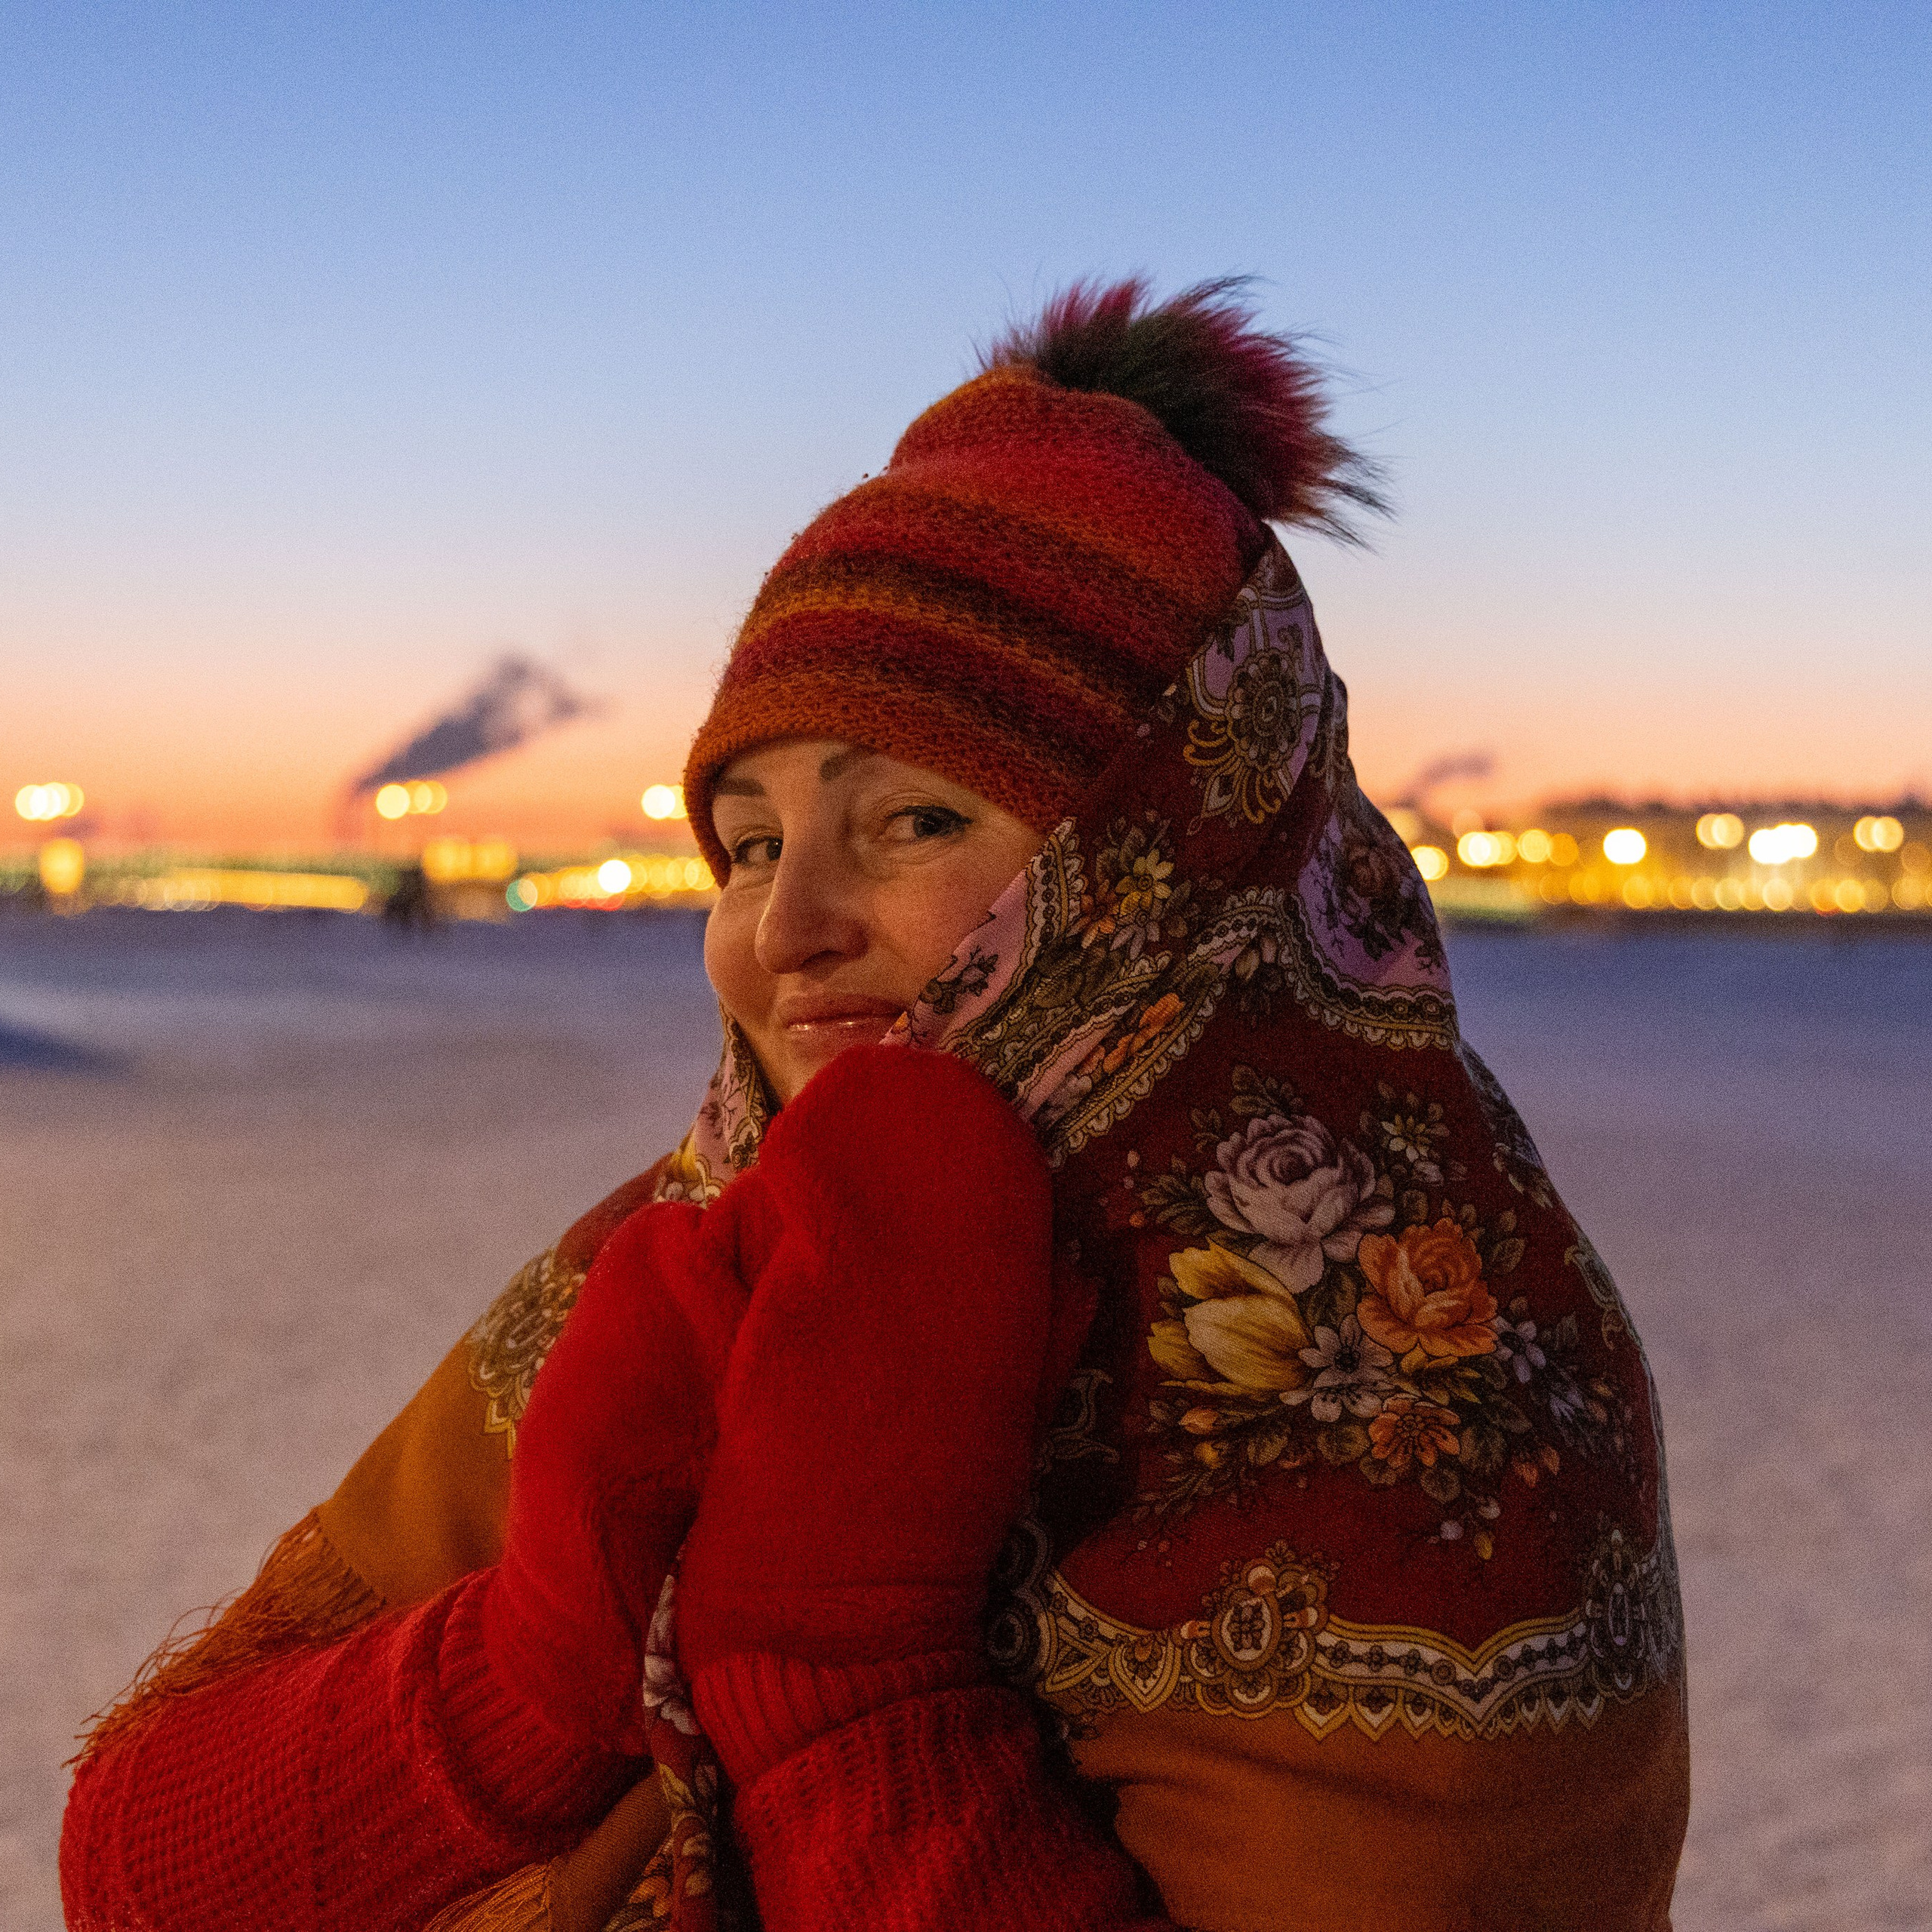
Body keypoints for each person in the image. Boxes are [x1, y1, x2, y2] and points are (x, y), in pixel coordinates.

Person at [61, 280, 1689, 1932]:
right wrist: (527, 1674)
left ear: (1167, 853)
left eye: (910, 820)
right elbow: (141, 1871)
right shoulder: (688, 1260)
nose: (784, 929)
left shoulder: (1422, 1388)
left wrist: (851, 1686)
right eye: (750, 841)